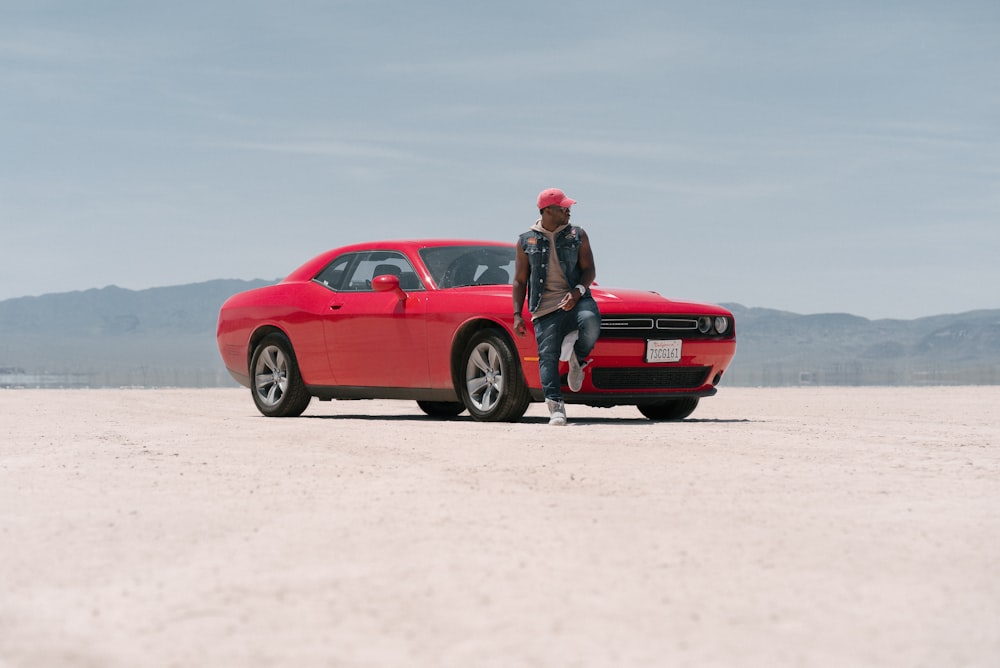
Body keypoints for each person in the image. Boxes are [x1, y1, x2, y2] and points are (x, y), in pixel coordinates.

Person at [512, 188, 600, 426]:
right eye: (563, 208)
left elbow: (589, 269)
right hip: (544, 307)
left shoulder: (577, 234)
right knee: (547, 356)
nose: (568, 211)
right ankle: (555, 406)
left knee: (591, 323)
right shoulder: (525, 240)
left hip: (577, 298)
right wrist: (518, 314)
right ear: (548, 211)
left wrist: (577, 291)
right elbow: (520, 279)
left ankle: (577, 360)